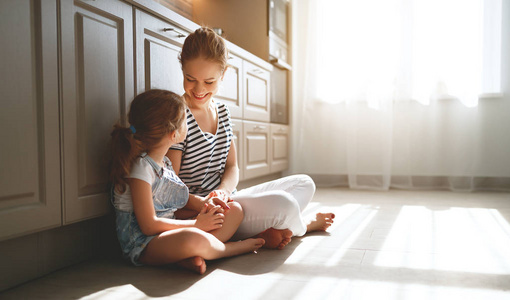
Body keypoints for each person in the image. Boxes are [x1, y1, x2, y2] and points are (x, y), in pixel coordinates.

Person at [167, 27, 335, 250]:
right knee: (284, 204)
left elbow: (232, 166)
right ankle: (305, 226)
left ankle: (267, 230)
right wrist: (207, 202)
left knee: (304, 183)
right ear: (182, 71)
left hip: (228, 201)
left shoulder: (223, 112)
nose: (198, 89)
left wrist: (224, 192)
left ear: (223, 74)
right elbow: (171, 184)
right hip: (202, 211)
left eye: (209, 82)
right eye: (190, 79)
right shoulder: (177, 116)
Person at [109, 89, 264, 274]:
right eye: (185, 120)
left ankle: (185, 257)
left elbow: (178, 194)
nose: (189, 124)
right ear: (174, 134)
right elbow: (149, 226)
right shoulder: (141, 169)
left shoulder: (164, 162)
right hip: (145, 244)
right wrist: (197, 224)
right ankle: (229, 249)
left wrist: (205, 203)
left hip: (169, 232)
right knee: (192, 238)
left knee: (234, 210)